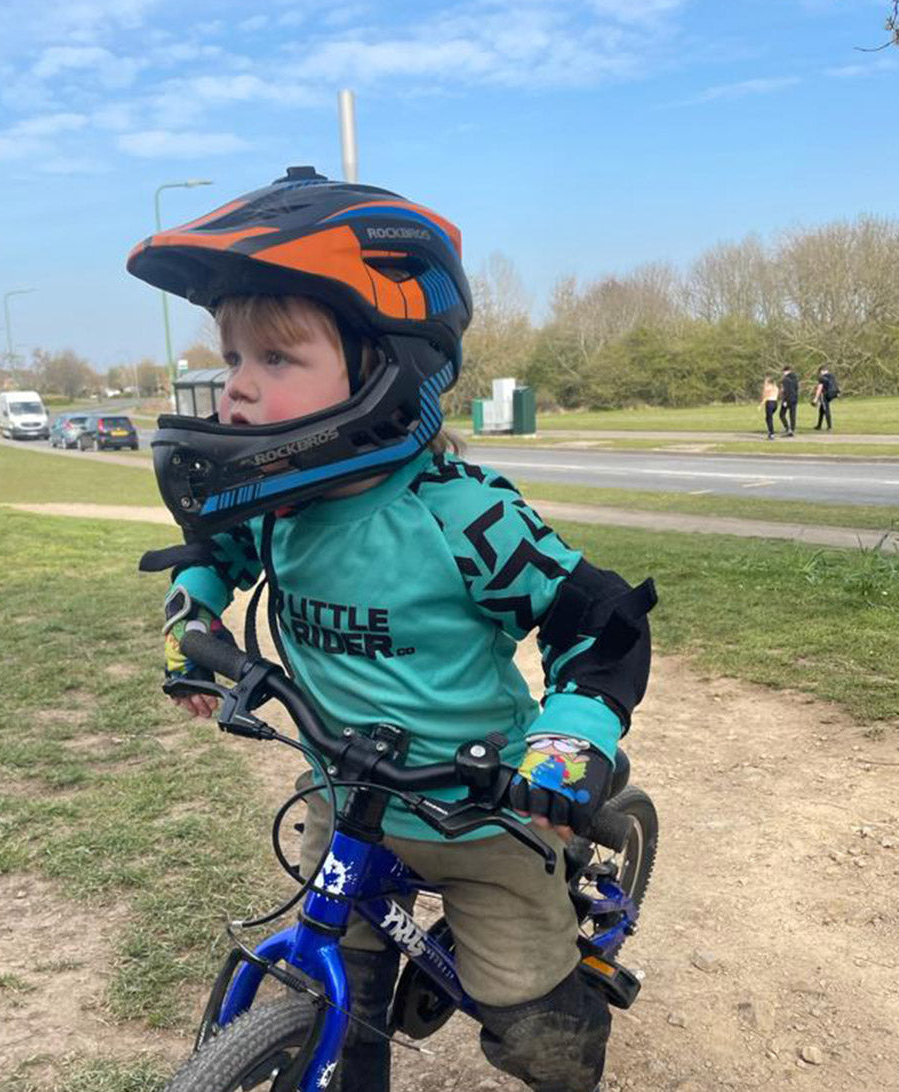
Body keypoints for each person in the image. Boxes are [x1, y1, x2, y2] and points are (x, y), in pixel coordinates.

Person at [127, 167, 654, 1092]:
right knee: (342, 1005)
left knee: (534, 1031)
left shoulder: (463, 518)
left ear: (383, 366)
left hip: (485, 812)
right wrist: (194, 617)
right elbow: (215, 554)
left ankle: (568, 1034)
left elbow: (602, 628)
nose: (236, 391)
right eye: (232, 362)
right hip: (349, 797)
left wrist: (570, 738)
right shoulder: (279, 508)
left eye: (274, 361)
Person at [813, 366, 838, 431]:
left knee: (826, 409)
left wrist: (816, 398)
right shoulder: (832, 376)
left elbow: (820, 388)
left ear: (822, 371)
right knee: (821, 410)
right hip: (832, 394)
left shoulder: (822, 378)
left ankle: (829, 427)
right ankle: (819, 425)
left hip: (825, 395)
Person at [778, 366, 798, 436]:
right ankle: (792, 429)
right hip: (795, 398)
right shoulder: (795, 378)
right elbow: (796, 388)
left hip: (787, 399)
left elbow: (786, 391)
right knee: (792, 414)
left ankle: (787, 428)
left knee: (781, 414)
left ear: (785, 371)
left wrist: (784, 400)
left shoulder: (785, 379)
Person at [760, 374, 779, 440]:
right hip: (775, 403)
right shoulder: (775, 387)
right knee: (768, 418)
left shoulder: (767, 388)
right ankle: (770, 432)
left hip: (770, 402)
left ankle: (771, 433)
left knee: (769, 419)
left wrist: (761, 405)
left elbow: (765, 396)